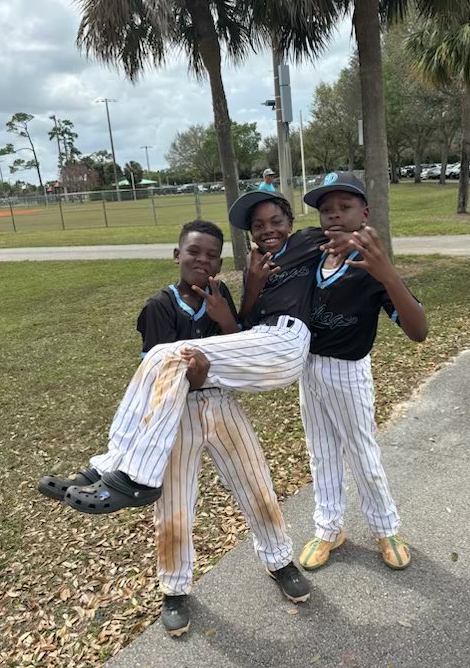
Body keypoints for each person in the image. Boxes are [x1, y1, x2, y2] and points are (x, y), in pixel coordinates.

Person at [38, 220, 311, 634]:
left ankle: (279, 561)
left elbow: (236, 347)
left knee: (257, 486)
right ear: (177, 254)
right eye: (194, 252)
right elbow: (159, 375)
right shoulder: (159, 305)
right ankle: (175, 588)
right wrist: (198, 374)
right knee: (174, 507)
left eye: (211, 254)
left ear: (219, 261)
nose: (202, 260)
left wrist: (227, 316)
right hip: (175, 414)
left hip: (222, 406)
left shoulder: (219, 294)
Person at [42, 192, 336, 522]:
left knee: (253, 485)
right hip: (236, 362)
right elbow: (246, 333)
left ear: (290, 222)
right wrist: (252, 285)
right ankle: (111, 467)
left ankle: (131, 475)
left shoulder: (305, 242)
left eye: (276, 222)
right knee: (159, 358)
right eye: (258, 225)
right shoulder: (251, 265)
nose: (268, 230)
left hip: (280, 344)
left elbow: (342, 226)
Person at [296, 172, 428, 572]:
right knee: (321, 453)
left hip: (347, 371)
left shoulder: (370, 267)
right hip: (309, 369)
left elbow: (418, 331)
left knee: (361, 453)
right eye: (325, 210)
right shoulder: (314, 254)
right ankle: (328, 527)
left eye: (344, 207)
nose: (333, 215)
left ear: (364, 212)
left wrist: (387, 272)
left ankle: (385, 527)